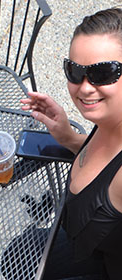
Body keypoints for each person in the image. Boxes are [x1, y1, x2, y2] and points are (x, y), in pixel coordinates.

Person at [21, 7, 122, 280]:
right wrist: (67, 137)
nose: (85, 87)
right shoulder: (110, 120)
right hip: (81, 244)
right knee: (17, 252)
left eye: (104, 73)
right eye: (75, 71)